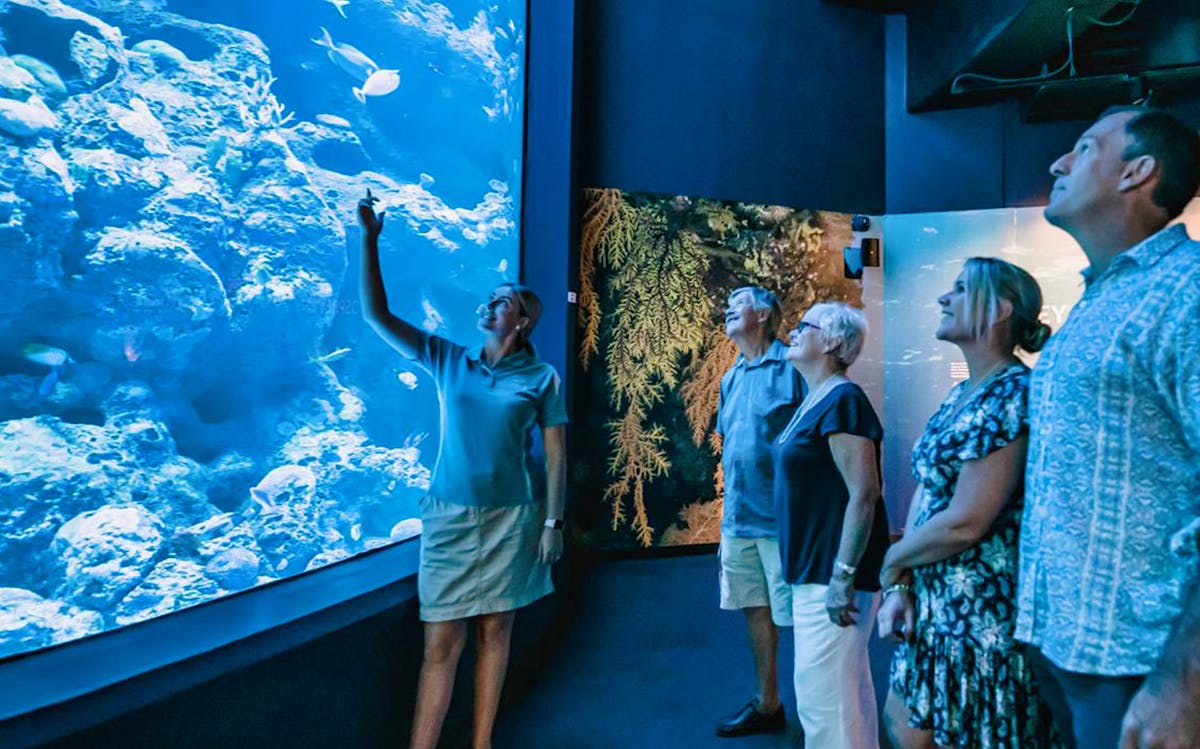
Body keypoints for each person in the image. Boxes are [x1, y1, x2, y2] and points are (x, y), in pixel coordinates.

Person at [1014, 106, 1200, 749]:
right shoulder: (1099, 300)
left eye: (1084, 147)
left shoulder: (1189, 292)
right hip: (1066, 644)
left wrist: (1184, 682)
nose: (1057, 163)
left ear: (1137, 172)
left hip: (1143, 661)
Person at [357, 190, 568, 749]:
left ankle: (482, 744)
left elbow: (555, 456)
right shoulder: (448, 358)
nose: (489, 305)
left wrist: (552, 523)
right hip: (449, 517)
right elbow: (375, 316)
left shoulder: (542, 379)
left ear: (522, 321)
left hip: (513, 519)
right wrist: (368, 241)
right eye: (490, 298)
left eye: (501, 302)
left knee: (497, 632)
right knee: (440, 646)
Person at [875, 258, 1062, 749]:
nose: (944, 298)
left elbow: (966, 521)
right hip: (936, 608)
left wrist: (893, 562)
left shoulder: (1013, 394)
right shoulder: (962, 392)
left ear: (1000, 310)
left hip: (981, 622)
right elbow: (930, 494)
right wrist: (905, 585)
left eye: (959, 289)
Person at [773, 301, 890, 749]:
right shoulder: (818, 399)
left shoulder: (843, 400)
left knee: (823, 703)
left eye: (807, 325)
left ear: (833, 342)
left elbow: (864, 495)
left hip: (833, 573)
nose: (795, 331)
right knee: (844, 696)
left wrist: (843, 577)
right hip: (816, 569)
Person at [713, 286, 805, 738]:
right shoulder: (729, 379)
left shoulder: (794, 370)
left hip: (782, 522)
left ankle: (818, 712)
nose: (728, 308)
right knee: (755, 609)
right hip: (738, 521)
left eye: (739, 302)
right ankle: (768, 705)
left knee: (800, 618)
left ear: (764, 314)